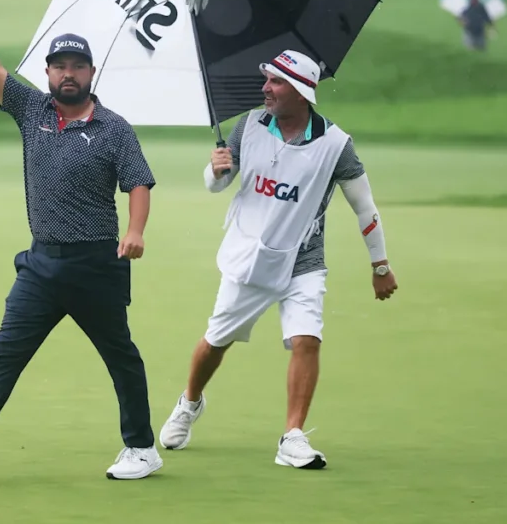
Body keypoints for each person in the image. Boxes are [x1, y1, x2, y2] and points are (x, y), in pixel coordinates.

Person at [0, 0, 163, 481]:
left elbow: (138, 182)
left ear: (91, 73)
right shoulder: (33, 110)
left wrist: (135, 230)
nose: (68, 74)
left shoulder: (114, 128)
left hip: (96, 265)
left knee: (120, 357)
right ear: (48, 73)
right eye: (60, 66)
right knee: (7, 352)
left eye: (77, 67)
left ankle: (141, 447)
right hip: (41, 265)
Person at [158, 49, 398, 470]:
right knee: (215, 342)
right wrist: (215, 170)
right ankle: (190, 402)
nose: (265, 88)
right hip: (249, 257)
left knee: (307, 340)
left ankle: (292, 436)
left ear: (303, 92)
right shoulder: (248, 125)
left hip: (303, 259)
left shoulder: (336, 144)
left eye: (276, 82)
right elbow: (217, 186)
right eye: (267, 79)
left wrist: (380, 265)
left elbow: (365, 207)